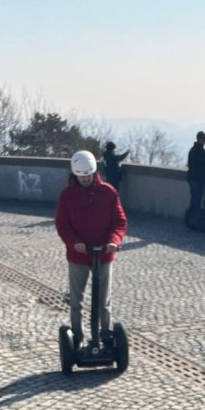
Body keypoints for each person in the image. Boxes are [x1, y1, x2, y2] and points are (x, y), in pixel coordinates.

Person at [54, 150, 127, 350]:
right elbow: (62, 224)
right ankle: (76, 335)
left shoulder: (108, 192)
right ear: (75, 175)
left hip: (104, 253)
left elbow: (120, 220)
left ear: (94, 172)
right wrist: (73, 242)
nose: (85, 179)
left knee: (104, 300)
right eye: (81, 176)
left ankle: (106, 333)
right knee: (76, 300)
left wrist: (114, 240)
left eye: (88, 175)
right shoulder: (67, 195)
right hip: (78, 255)